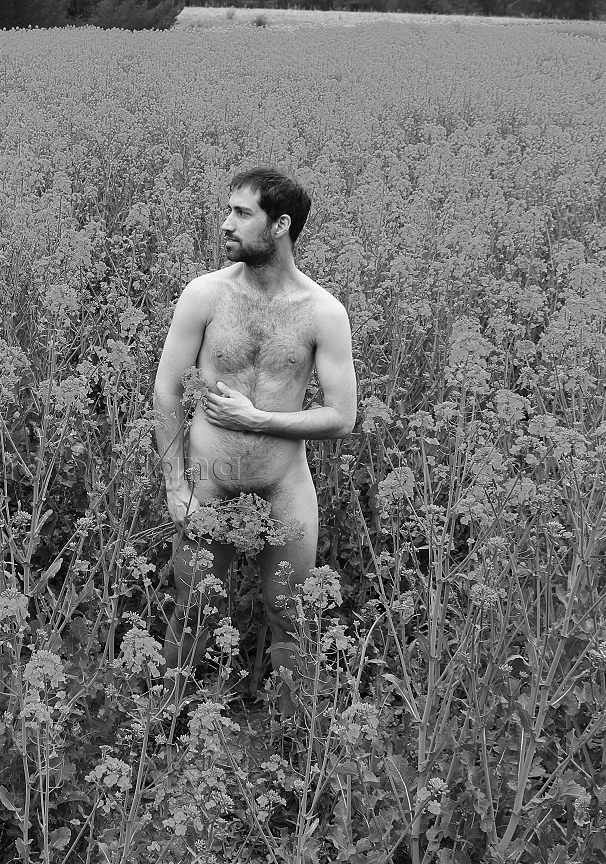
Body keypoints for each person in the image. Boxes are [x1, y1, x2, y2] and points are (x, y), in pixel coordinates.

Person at [152, 166, 357, 713]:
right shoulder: (205, 295)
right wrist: (177, 489)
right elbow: (166, 392)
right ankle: (162, 725)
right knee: (193, 610)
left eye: (242, 214)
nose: (226, 224)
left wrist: (259, 420)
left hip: (283, 485)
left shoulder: (323, 313)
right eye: (228, 211)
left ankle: (294, 738)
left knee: (290, 613)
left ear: (280, 225)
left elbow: (342, 417)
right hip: (210, 483)